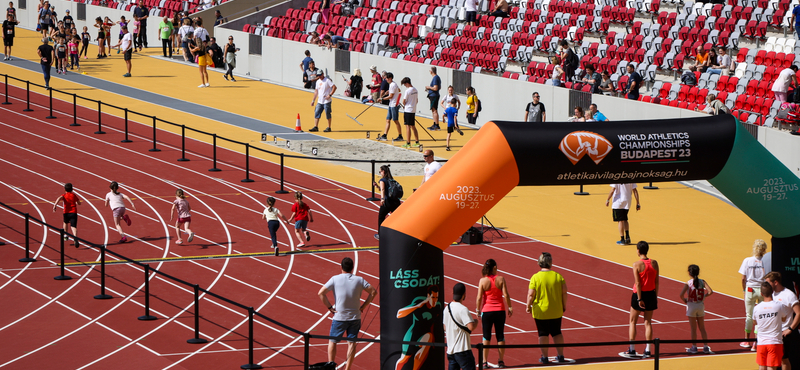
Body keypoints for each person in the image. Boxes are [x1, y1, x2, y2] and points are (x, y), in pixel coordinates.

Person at [318, 257, 377, 370]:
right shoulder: (359, 280)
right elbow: (373, 292)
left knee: (332, 341)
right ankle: (348, 369)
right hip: (355, 317)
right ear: (352, 268)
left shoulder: (335, 279)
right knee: (352, 344)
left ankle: (331, 365)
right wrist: (363, 306)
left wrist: (330, 307)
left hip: (339, 317)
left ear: (341, 267)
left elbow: (321, 293)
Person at [527, 252, 567, 364]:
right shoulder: (558, 276)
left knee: (543, 333)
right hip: (556, 309)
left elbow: (531, 294)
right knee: (557, 332)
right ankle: (561, 355)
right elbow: (564, 292)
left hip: (541, 311)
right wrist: (563, 305)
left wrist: (528, 305)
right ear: (550, 263)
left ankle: (545, 357)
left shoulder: (535, 277)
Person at [476, 259, 512, 369]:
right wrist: (510, 307)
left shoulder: (483, 281)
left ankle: (484, 362)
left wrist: (478, 310)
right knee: (500, 336)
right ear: (495, 268)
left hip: (487, 311)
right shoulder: (501, 279)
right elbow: (506, 295)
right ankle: (501, 361)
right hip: (500, 310)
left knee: (486, 336)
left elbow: (479, 298)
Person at [395, 285, 441, 370]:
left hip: (423, 336)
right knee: (404, 359)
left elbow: (434, 322)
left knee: (429, 336)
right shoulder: (419, 301)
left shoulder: (437, 307)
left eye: (436, 298)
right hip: (412, 335)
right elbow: (399, 314)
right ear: (428, 296)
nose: (435, 300)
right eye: (433, 297)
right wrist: (417, 306)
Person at [626, 241, 659, 357]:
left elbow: (638, 283)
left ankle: (632, 348)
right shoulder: (654, 263)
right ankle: (648, 349)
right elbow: (657, 281)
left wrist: (639, 299)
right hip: (651, 294)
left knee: (632, 321)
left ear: (638, 251)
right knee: (648, 322)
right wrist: (656, 296)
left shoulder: (636, 265)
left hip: (639, 295)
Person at [765, 271, 800, 370]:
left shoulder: (788, 295)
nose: (766, 285)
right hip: (771, 333)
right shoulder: (771, 295)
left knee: (783, 359)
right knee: (771, 360)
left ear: (775, 282)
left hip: (782, 333)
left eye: (768, 283)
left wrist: (790, 329)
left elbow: (798, 313)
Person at [753, 281, 792, 370]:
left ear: (761, 294)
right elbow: (784, 319)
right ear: (772, 292)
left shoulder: (757, 308)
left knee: (761, 367)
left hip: (761, 342)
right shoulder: (779, 306)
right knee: (772, 367)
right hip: (775, 342)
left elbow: (755, 322)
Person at [740, 239, 769, 349]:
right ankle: (757, 342)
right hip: (762, 289)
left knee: (749, 315)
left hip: (750, 289)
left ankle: (747, 341)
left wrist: (744, 290)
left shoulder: (747, 260)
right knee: (760, 316)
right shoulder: (766, 261)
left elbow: (743, 278)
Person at [680, 264, 714, 354]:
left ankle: (694, 347)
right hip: (700, 305)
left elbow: (681, 295)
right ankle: (706, 346)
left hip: (691, 305)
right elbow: (710, 291)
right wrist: (704, 296)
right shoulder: (702, 281)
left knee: (693, 328)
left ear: (689, 273)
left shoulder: (688, 283)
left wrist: (685, 300)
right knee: (702, 328)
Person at [445, 283, 478, 370]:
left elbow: (445, 327)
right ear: (464, 295)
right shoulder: (463, 309)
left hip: (451, 351)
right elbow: (471, 327)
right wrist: (476, 321)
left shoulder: (447, 308)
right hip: (463, 349)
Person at [373, 165, 401, 240]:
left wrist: (382, 199)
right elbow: (386, 190)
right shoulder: (391, 180)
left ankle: (381, 235)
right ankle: (399, 233)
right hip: (396, 202)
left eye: (380, 171)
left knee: (381, 217)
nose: (380, 173)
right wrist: (377, 187)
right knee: (397, 217)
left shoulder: (383, 180)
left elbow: (383, 190)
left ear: (383, 172)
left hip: (387, 202)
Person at [52, 183, 81, 247]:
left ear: (65, 189)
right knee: (73, 226)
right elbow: (79, 203)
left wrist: (55, 205)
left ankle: (65, 235)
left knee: (65, 223)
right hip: (73, 212)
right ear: (72, 189)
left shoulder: (64, 195)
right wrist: (78, 203)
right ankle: (75, 238)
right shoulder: (74, 195)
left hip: (66, 212)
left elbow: (59, 198)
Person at [378, 72, 402, 141]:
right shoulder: (393, 84)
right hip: (391, 104)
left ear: (390, 78)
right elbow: (398, 90)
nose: (386, 80)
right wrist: (390, 91)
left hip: (394, 105)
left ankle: (400, 136)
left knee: (395, 120)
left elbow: (391, 96)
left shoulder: (392, 85)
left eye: (387, 79)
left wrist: (382, 98)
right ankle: (385, 135)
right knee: (388, 119)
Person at [401, 77, 420, 148]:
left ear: (406, 83)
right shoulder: (415, 90)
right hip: (413, 109)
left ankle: (408, 142)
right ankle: (417, 141)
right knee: (413, 126)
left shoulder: (407, 91)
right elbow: (417, 100)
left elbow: (404, 101)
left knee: (407, 126)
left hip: (408, 110)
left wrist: (405, 105)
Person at [425, 66, 441, 131]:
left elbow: (436, 88)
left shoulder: (435, 78)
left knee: (434, 110)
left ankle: (437, 124)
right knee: (433, 110)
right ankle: (435, 123)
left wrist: (428, 87)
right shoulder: (437, 78)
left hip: (434, 95)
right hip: (433, 95)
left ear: (431, 71)